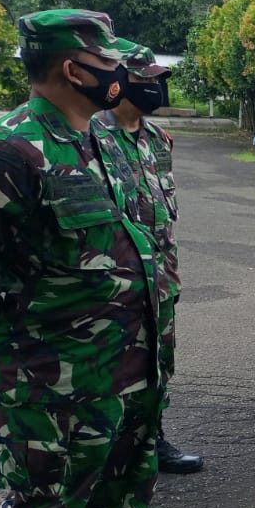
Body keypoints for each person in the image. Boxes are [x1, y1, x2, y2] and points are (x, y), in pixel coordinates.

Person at [0, 8, 162, 508]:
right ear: (74, 70)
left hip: (133, 370)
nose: (120, 71)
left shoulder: (103, 140)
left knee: (124, 507)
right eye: (108, 61)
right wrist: (0, 328)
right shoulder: (8, 151)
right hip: (53, 387)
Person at [91, 41, 203, 475]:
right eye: (145, 79)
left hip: (160, 280)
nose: (155, 86)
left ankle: (151, 440)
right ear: (118, 82)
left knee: (157, 366)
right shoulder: (91, 138)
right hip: (112, 284)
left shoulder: (158, 140)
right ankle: (109, 453)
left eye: (158, 79)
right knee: (111, 372)